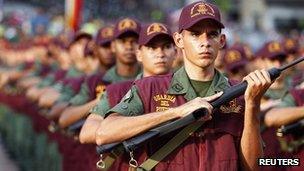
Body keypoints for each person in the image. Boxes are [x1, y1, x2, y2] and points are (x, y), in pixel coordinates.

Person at [96, 2, 273, 170]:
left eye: (212, 34)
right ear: (179, 40)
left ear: (222, 40)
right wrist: (176, 112)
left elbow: (253, 166)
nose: (205, 42)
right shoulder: (150, 88)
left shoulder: (239, 93)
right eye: (195, 34)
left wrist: (252, 104)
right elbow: (103, 133)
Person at [79, 22, 176, 144]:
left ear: (176, 52)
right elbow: (87, 133)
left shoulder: (187, 87)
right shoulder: (118, 91)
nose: (160, 54)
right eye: (152, 48)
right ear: (139, 54)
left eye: (166, 47)